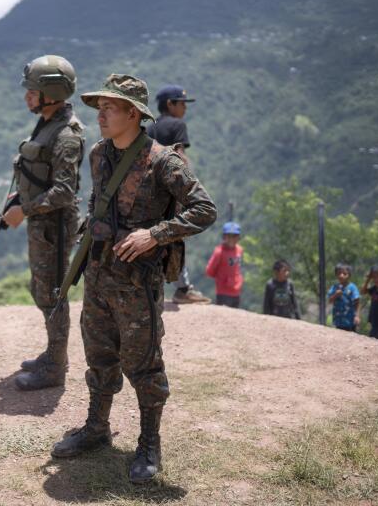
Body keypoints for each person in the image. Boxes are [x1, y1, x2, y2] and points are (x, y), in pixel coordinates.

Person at [50, 74, 216, 484]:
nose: (101, 114)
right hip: (99, 274)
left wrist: (154, 234)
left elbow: (204, 209)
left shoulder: (163, 161)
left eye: (110, 107)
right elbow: (97, 201)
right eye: (100, 107)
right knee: (99, 354)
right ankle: (97, 428)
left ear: (133, 113)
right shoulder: (97, 154)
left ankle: (149, 442)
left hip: (138, 284)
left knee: (143, 364)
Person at [3, 55, 85, 391]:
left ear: (51, 92)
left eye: (33, 90)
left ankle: (54, 368)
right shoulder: (48, 122)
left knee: (53, 294)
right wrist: (20, 200)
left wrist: (25, 211)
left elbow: (64, 191)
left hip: (54, 226)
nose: (27, 96)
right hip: (42, 223)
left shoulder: (66, 134)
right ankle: (54, 354)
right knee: (40, 290)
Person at [147, 84, 210, 305]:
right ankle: (183, 288)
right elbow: (180, 158)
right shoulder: (177, 125)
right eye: (181, 103)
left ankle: (152, 282)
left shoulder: (150, 127)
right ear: (169, 104)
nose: (184, 108)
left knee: (151, 233)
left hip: (150, 190)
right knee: (176, 235)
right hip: (171, 190)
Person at [205, 222, 244, 308]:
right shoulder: (219, 252)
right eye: (229, 236)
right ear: (224, 237)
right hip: (223, 292)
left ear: (238, 237)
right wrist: (221, 278)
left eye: (234, 236)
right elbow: (209, 271)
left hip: (236, 291)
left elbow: (238, 268)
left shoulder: (239, 250)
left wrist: (240, 280)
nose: (231, 239)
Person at [327, 263, 361, 332]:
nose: (341, 276)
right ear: (336, 275)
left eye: (344, 274)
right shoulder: (334, 287)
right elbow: (330, 301)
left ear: (349, 275)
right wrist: (335, 295)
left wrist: (357, 316)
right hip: (338, 320)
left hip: (350, 321)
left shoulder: (352, 287)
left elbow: (357, 302)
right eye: (339, 273)